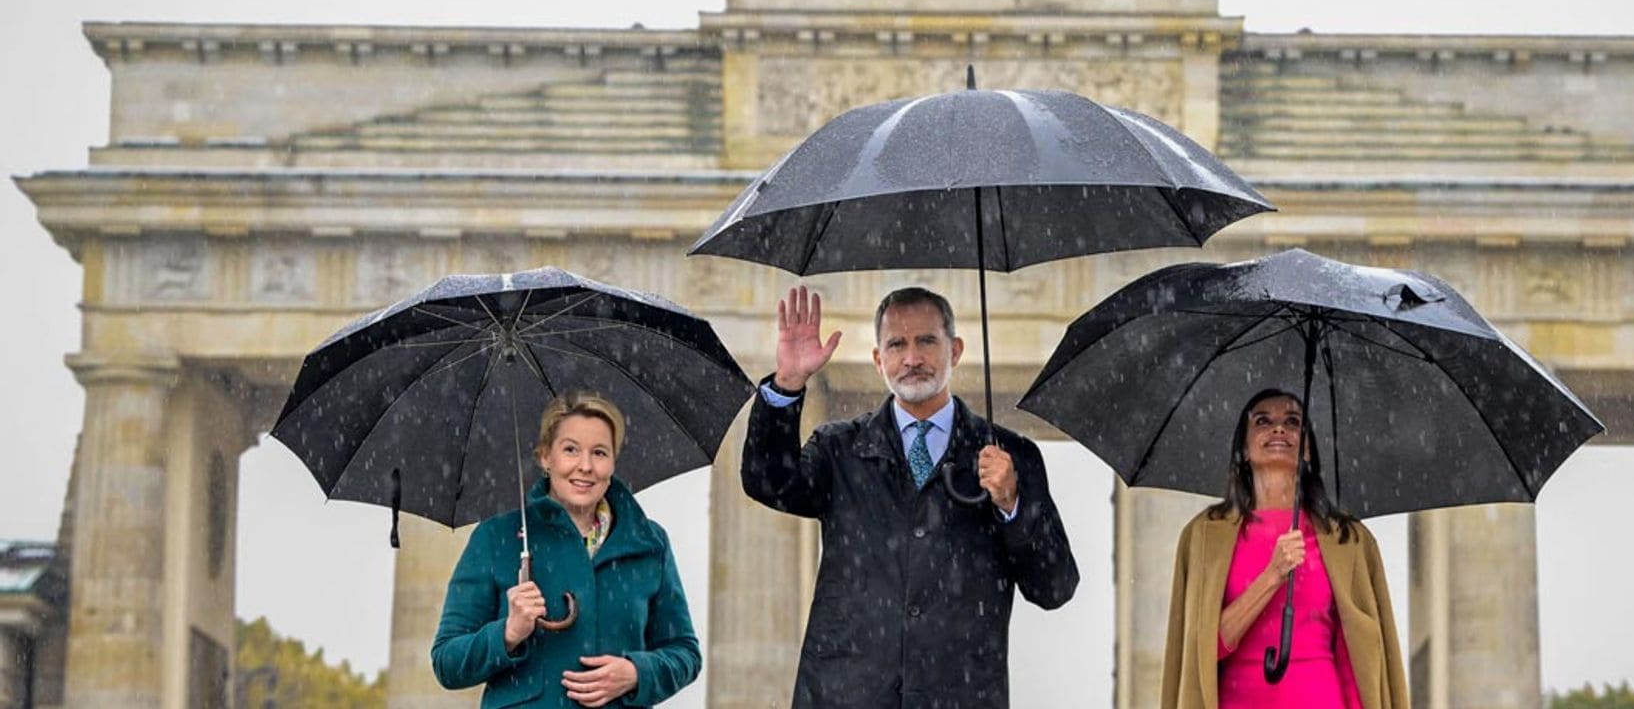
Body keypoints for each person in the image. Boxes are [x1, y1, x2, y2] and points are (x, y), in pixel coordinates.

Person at [743, 284, 1080, 708]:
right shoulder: (838, 449)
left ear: (955, 350)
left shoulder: (1012, 457)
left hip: (960, 696)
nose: (912, 358)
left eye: (926, 341)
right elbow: (767, 482)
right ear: (878, 359)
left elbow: (1055, 586)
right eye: (896, 344)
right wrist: (787, 385)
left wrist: (1012, 504)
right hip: (846, 695)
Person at [432, 392, 701, 708]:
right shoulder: (496, 537)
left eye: (599, 453)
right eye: (570, 449)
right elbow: (447, 662)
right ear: (546, 456)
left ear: (614, 461)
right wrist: (508, 632)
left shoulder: (649, 542)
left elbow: (684, 653)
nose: (585, 466)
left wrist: (636, 673)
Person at [1160, 389, 1408, 709]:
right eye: (1263, 421)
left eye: (1293, 422)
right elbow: (1203, 650)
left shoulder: (1348, 540)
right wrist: (1272, 575)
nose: (1279, 429)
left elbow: (1358, 658)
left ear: (1307, 449)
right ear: (1244, 449)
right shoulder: (1206, 536)